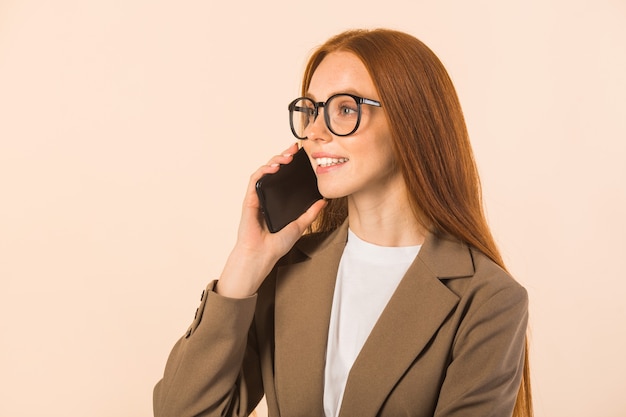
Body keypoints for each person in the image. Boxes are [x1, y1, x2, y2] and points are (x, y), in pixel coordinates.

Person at [153, 28, 533, 417]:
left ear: (410, 121)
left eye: (345, 110)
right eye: (312, 110)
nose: (315, 133)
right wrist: (246, 263)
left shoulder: (488, 299)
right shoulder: (284, 273)